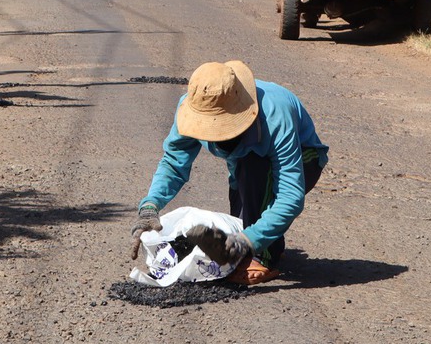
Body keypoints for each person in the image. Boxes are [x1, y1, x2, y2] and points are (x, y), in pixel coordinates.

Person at [131, 60, 328, 285]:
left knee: (252, 178)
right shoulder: (192, 105)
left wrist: (249, 242)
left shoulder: (274, 115)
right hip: (243, 166)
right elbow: (174, 162)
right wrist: (150, 206)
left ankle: (262, 258)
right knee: (240, 225)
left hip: (304, 160)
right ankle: (262, 243)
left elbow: (290, 195)